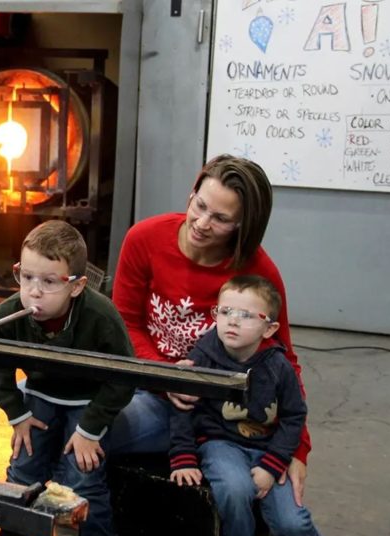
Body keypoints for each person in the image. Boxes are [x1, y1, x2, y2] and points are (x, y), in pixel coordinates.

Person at [109, 154, 311, 504]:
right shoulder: (145, 239)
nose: (201, 223)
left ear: (243, 226)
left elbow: (285, 362)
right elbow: (124, 322)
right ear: (192, 194)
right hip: (145, 382)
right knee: (42, 402)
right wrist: (166, 375)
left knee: (92, 430)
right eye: (199, 205)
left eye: (220, 218)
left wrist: (300, 450)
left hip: (205, 414)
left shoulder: (259, 272)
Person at [168, 275, 361, 536]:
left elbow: (295, 416)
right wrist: (183, 457)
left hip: (268, 449)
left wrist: (273, 465)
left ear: (269, 327)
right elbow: (182, 408)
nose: (232, 321)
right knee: (234, 489)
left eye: (246, 315)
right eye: (225, 311)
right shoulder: (202, 358)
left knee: (291, 520)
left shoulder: (278, 367)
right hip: (220, 444)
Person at [0, 220, 135, 536]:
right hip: (40, 395)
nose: (34, 292)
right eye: (26, 277)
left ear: (77, 285)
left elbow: (125, 377)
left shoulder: (102, 316)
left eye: (49, 281)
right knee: (23, 471)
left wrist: (90, 429)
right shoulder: (10, 312)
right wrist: (17, 414)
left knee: (85, 478)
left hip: (88, 401)